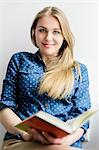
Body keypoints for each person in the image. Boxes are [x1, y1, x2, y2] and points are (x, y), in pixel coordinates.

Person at [0, 6, 91, 150]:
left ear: (64, 36)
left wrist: (66, 141)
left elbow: (82, 118)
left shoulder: (78, 71)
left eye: (56, 32)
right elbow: (5, 107)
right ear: (34, 32)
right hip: (21, 140)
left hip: (65, 145)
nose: (48, 37)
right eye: (42, 30)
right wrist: (26, 134)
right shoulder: (19, 60)